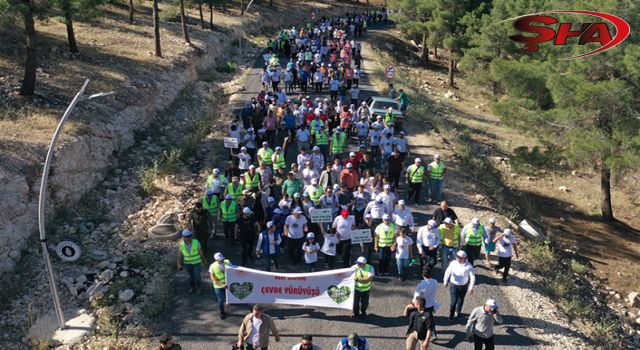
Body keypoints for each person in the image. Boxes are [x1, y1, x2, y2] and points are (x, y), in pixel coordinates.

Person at [444, 250, 476, 320]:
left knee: (461, 300)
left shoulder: (469, 266)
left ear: (465, 258)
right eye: (457, 256)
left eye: (460, 257)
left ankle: (458, 312)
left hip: (464, 286)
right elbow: (447, 272)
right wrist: (445, 281)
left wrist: (471, 288)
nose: (458, 258)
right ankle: (451, 315)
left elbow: (472, 278)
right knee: (454, 301)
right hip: (453, 285)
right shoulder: (453, 263)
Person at [176, 230, 206, 294]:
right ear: (183, 237)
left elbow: (200, 253)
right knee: (190, 276)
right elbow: (180, 254)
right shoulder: (181, 244)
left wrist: (204, 260)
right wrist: (178, 263)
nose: (189, 238)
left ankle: (199, 287)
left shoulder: (196, 242)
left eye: (190, 236)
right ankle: (192, 287)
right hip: (187, 264)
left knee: (197, 275)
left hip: (196, 263)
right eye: (187, 237)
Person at [413, 268, 439, 341]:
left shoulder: (421, 285)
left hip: (422, 304)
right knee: (430, 318)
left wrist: (414, 302)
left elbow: (417, 295)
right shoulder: (435, 282)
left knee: (422, 318)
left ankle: (424, 332)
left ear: (423, 275)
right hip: (431, 303)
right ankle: (433, 333)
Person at [209, 252, 231, 319]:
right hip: (218, 286)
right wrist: (221, 284)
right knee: (221, 300)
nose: (222, 260)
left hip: (228, 284)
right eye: (220, 260)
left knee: (230, 296)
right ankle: (222, 312)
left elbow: (233, 270)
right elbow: (212, 277)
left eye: (222, 259)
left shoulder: (227, 261)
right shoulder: (212, 266)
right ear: (216, 260)